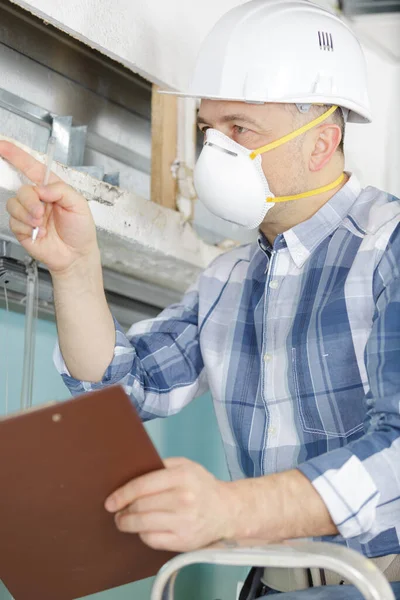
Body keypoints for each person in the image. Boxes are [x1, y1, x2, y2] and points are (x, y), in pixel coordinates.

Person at [2, 0, 400, 598]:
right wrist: (76, 267)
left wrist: (230, 509)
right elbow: (117, 387)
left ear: (321, 143)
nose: (217, 152)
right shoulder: (230, 279)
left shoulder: (387, 246)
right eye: (210, 131)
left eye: (240, 130)